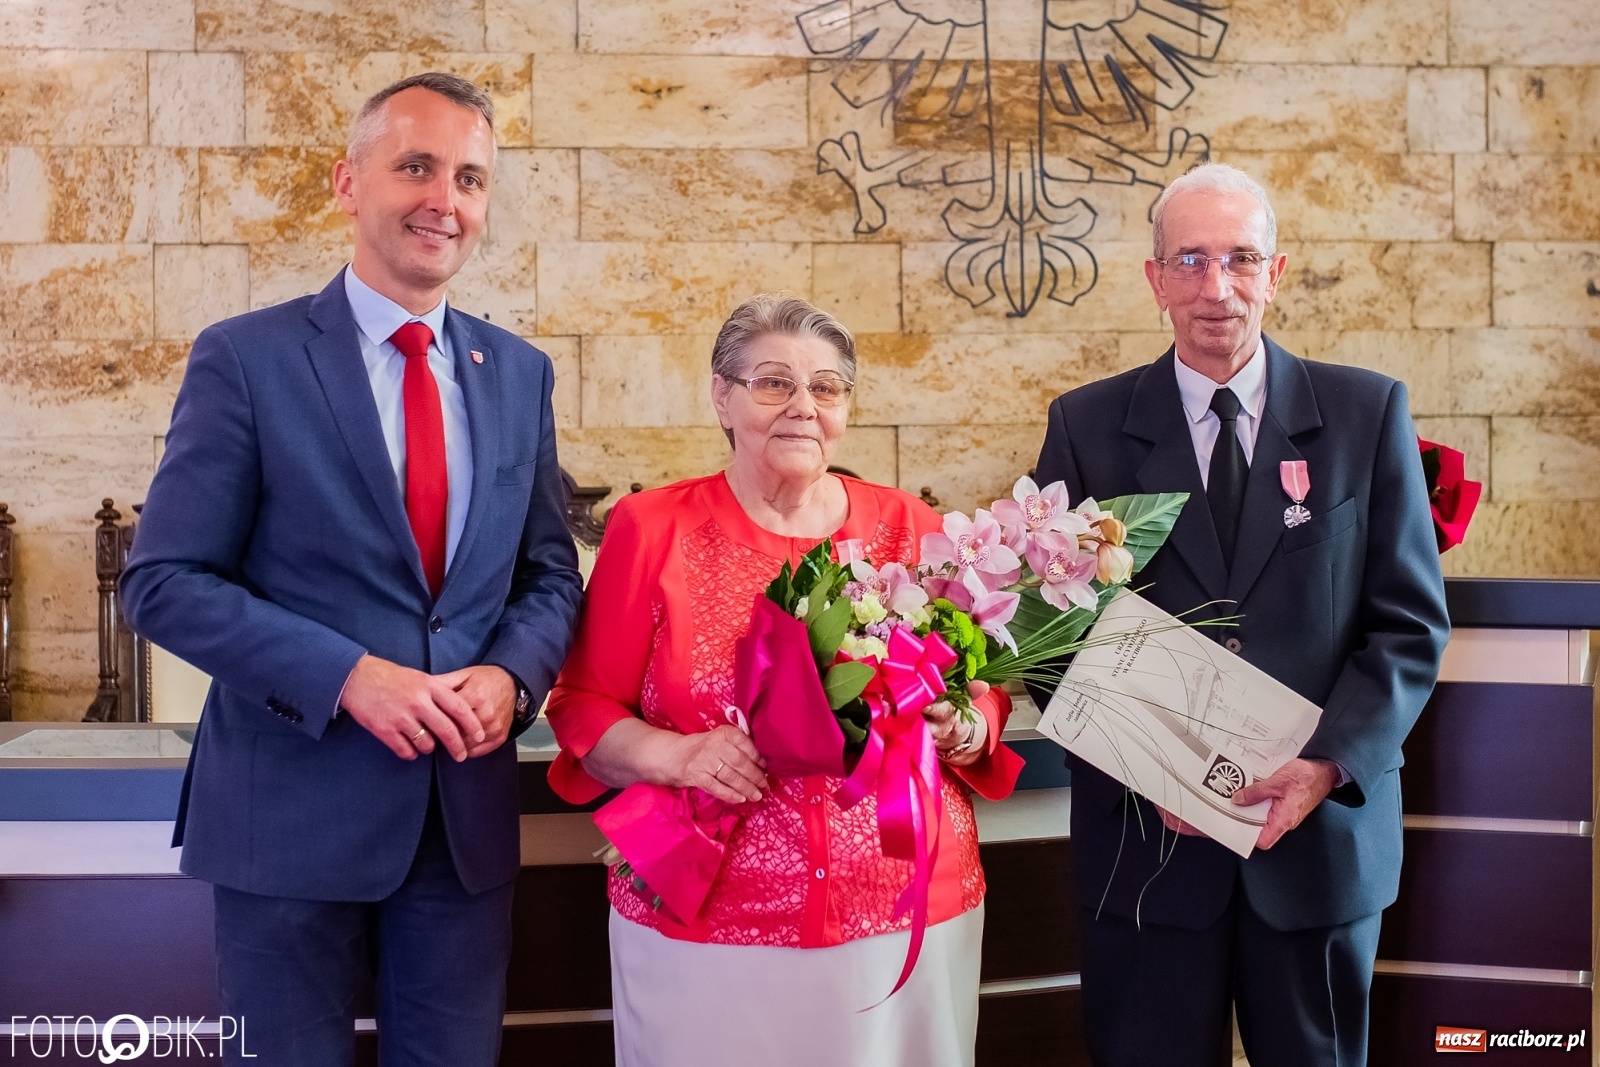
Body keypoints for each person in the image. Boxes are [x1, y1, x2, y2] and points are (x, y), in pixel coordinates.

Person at [120, 73, 583, 1066]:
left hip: (460, 829)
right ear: (347, 182)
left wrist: (512, 676)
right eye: (416, 166)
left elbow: (549, 576)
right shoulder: (246, 359)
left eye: (469, 178)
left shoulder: (521, 374)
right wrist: (347, 676)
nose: (444, 200)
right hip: (286, 821)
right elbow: (163, 579)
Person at [1032, 162, 1449, 1066]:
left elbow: (1409, 626)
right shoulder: (1086, 427)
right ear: (1155, 279)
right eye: (1189, 260)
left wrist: (1326, 765)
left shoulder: (1366, 413)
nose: (1215, 287)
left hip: (1318, 853)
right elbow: (1046, 636)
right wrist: (1158, 769)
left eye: (1240, 259)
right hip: (1145, 856)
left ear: (1277, 272)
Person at [545, 294, 1025, 1067]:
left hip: (906, 914)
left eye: (826, 387)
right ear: (722, 396)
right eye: (773, 382)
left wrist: (967, 726)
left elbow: (981, 684)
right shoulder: (650, 528)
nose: (803, 405)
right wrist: (680, 755)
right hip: (704, 918)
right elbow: (581, 705)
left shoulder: (910, 526)